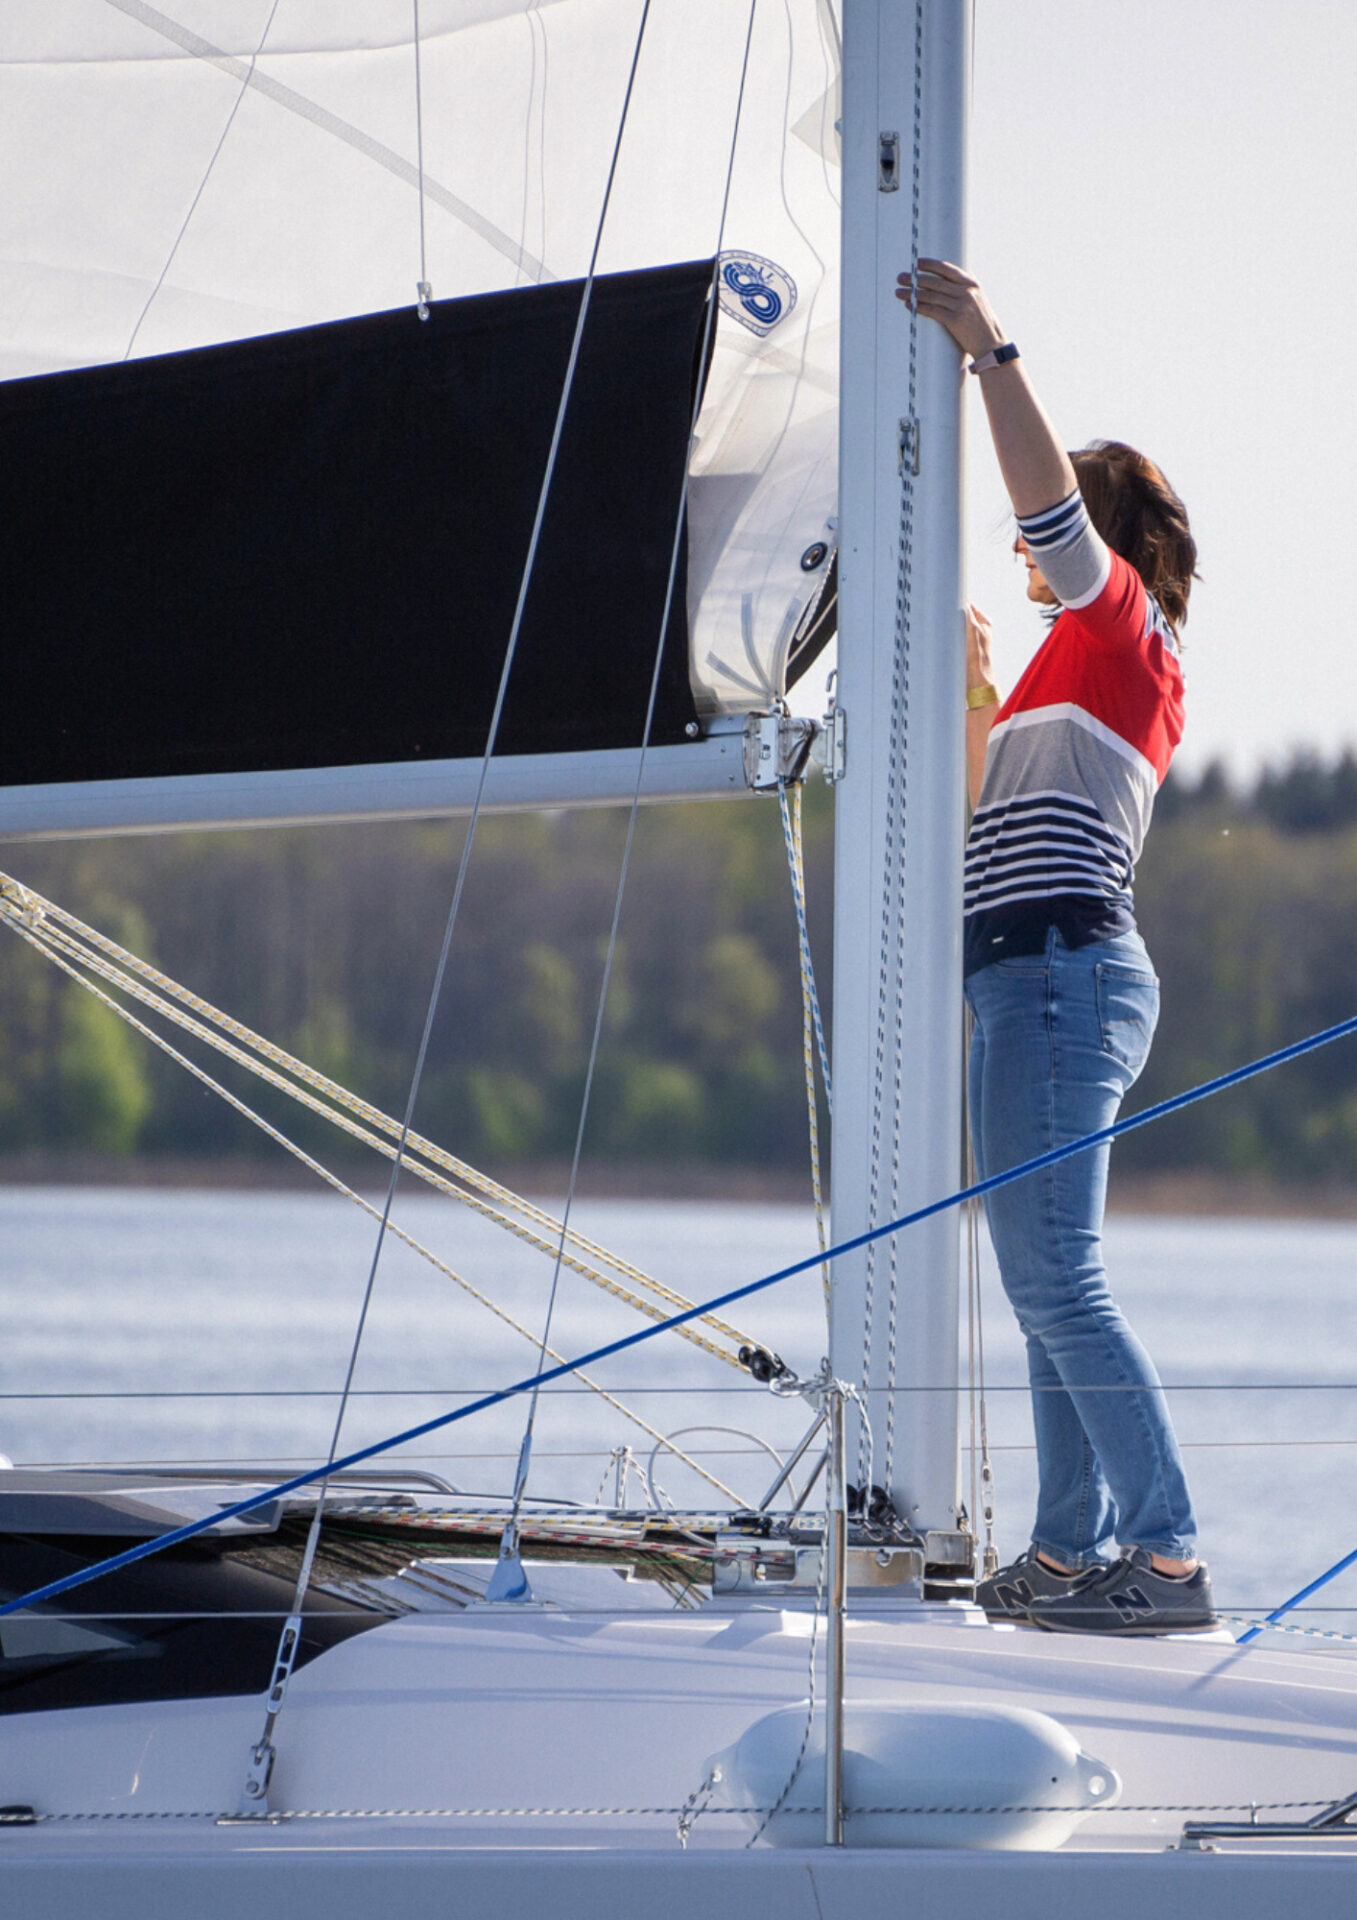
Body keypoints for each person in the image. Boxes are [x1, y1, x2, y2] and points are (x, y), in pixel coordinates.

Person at [898, 259, 1216, 1635]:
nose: (1024, 545)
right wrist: (974, 692)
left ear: (1103, 535)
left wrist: (985, 348)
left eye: (1056, 530)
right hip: (1030, 981)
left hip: (1057, 982)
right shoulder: (1062, 667)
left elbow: (1041, 501)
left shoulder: (1122, 631)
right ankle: (1067, 1551)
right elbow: (978, 817)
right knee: (1042, 1281)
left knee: (1053, 1280)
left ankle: (1163, 1557)